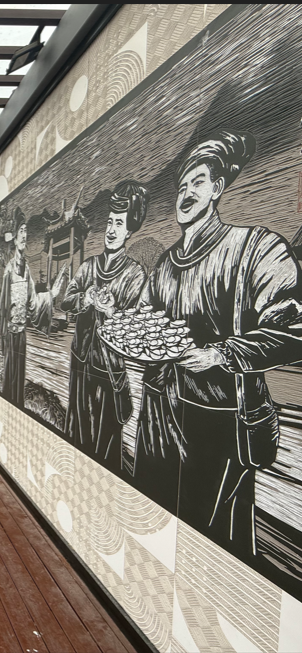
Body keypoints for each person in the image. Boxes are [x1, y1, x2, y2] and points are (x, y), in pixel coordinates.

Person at [133, 130, 302, 559]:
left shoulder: (255, 248)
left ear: (218, 188)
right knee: (151, 528)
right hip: (159, 417)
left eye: (199, 182)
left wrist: (220, 353)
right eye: (182, 186)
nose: (187, 193)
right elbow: (143, 327)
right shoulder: (164, 267)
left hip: (220, 422)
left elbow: (293, 329)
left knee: (211, 546)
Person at [61, 181, 149, 470]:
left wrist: (111, 311)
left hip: (109, 369)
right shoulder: (88, 266)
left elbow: (136, 327)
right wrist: (84, 298)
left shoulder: (134, 274)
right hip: (80, 362)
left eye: (119, 223)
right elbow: (65, 301)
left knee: (106, 437)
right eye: (110, 222)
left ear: (129, 230)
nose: (111, 229)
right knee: (78, 426)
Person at [0, 213, 65, 406]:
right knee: (9, 373)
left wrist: (52, 294)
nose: (24, 235)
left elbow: (33, 302)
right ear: (14, 238)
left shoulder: (26, 269)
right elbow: (2, 306)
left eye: (26, 231)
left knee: (18, 374)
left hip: (21, 334)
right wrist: (5, 332)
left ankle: (16, 404)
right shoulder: (9, 270)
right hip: (10, 332)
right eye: (21, 231)